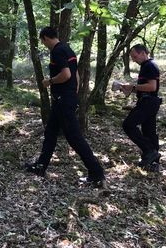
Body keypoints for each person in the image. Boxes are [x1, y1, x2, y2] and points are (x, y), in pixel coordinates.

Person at [25, 26, 106, 188]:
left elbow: (66, 75)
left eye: (43, 41)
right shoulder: (68, 49)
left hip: (63, 101)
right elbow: (75, 75)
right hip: (63, 99)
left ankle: (97, 173)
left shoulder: (57, 51)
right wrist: (72, 93)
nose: (44, 44)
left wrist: (50, 82)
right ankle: (41, 166)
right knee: (50, 133)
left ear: (46, 38)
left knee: (74, 137)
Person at [120, 44, 162, 171]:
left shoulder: (150, 66)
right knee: (149, 131)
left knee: (128, 125)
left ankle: (150, 151)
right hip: (148, 100)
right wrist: (127, 88)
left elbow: (152, 87)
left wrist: (133, 86)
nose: (133, 59)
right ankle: (153, 162)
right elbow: (144, 88)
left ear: (143, 53)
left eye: (135, 56)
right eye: (132, 57)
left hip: (149, 102)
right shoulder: (146, 66)